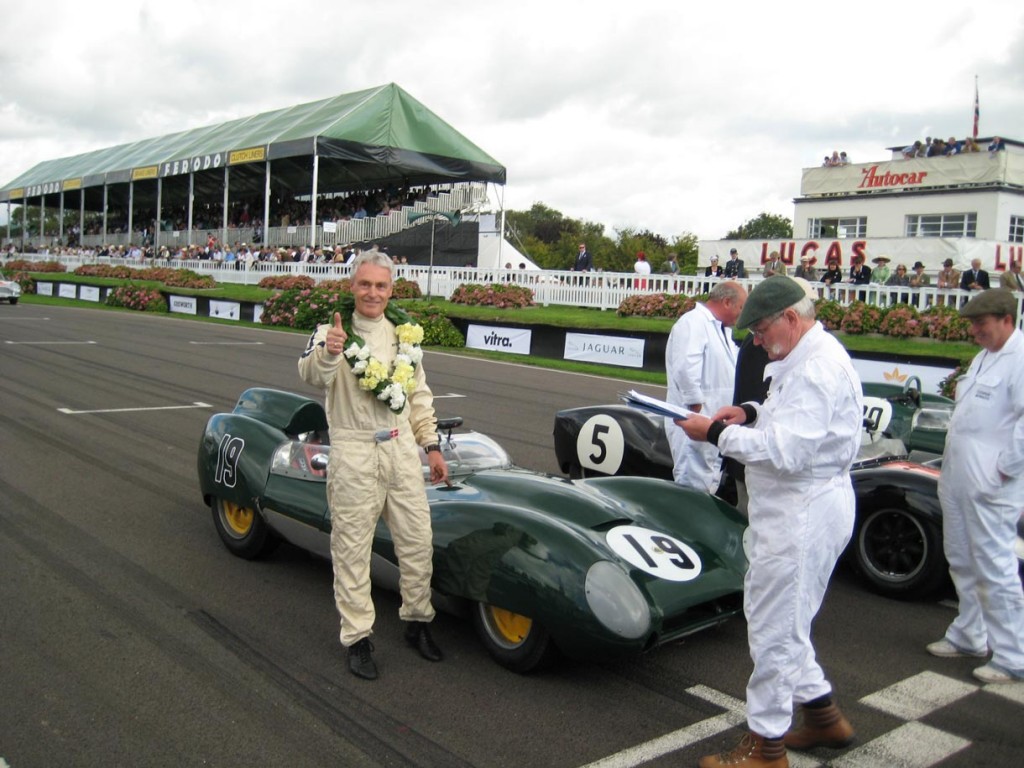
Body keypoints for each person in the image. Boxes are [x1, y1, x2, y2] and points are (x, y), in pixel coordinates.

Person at [679, 276, 862, 768]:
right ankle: (823, 718)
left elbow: (785, 451)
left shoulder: (815, 369)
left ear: (791, 319)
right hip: (796, 509)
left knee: (774, 631)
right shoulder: (803, 356)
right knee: (782, 621)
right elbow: (788, 418)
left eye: (760, 330)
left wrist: (715, 433)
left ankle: (767, 748)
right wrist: (749, 411)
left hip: (802, 511)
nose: (756, 342)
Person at [297, 250, 449, 681]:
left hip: (401, 452)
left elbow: (418, 396)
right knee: (351, 550)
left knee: (418, 542)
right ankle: (358, 638)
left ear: (391, 290)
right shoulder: (332, 330)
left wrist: (432, 447)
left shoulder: (406, 336)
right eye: (365, 284)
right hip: (355, 450)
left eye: (381, 286)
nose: (372, 293)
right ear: (352, 286)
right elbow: (308, 373)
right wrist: (330, 351)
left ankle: (418, 622)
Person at [927, 289, 1024, 684]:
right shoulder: (988, 357)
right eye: (972, 324)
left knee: (995, 566)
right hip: (961, 475)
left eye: (981, 324)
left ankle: (1013, 654)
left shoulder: (1019, 359)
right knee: (962, 557)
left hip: (990, 483)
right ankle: (970, 633)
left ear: (1005, 319)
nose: (975, 331)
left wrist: (1002, 470)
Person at [664, 281, 747, 493]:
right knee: (691, 484)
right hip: (695, 420)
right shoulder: (693, 322)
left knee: (709, 480)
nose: (742, 315)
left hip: (715, 421)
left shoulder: (721, 330)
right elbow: (685, 366)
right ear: (727, 302)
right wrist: (695, 405)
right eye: (740, 308)